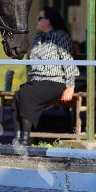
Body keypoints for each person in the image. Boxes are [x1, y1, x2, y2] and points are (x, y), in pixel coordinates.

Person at [10, 8, 80, 147]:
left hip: (55, 80)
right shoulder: (38, 37)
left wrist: (70, 86)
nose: (37, 21)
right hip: (37, 81)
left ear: (49, 21)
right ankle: (18, 136)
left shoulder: (60, 36)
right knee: (17, 96)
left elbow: (68, 62)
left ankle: (25, 137)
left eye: (40, 18)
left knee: (27, 95)